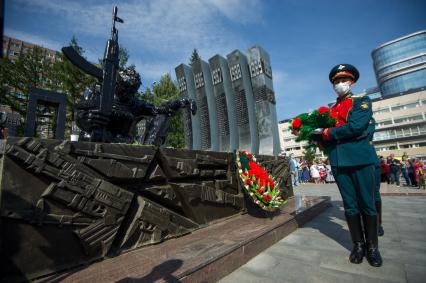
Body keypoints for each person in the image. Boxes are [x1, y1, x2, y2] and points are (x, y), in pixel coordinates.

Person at [311, 64, 382, 267]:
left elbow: (357, 127)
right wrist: (316, 136)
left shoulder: (362, 101)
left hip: (360, 159)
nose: (340, 84)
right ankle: (358, 245)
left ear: (352, 82)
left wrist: (327, 133)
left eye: (343, 80)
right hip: (339, 161)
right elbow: (336, 135)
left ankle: (373, 247)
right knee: (350, 205)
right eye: (336, 82)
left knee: (367, 203)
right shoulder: (331, 110)